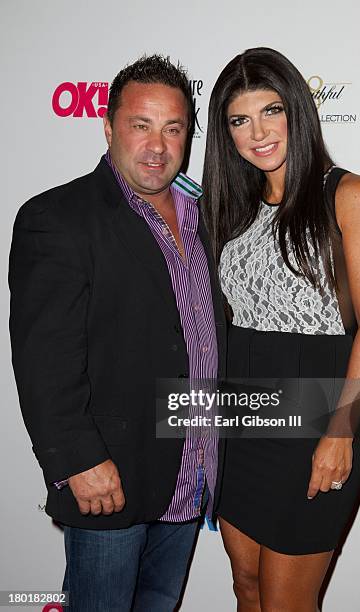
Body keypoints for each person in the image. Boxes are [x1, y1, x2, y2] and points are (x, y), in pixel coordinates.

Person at [9, 54, 226, 612]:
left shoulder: (208, 218)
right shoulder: (58, 216)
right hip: (111, 475)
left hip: (190, 474)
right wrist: (77, 460)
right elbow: (43, 360)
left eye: (173, 128)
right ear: (108, 128)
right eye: (141, 125)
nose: (158, 145)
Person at [202, 47, 360, 611]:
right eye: (240, 119)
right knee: (247, 587)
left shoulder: (352, 196)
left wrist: (340, 433)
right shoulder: (234, 208)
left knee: (287, 603)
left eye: (272, 111)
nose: (258, 132)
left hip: (315, 425)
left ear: (298, 113)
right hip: (242, 423)